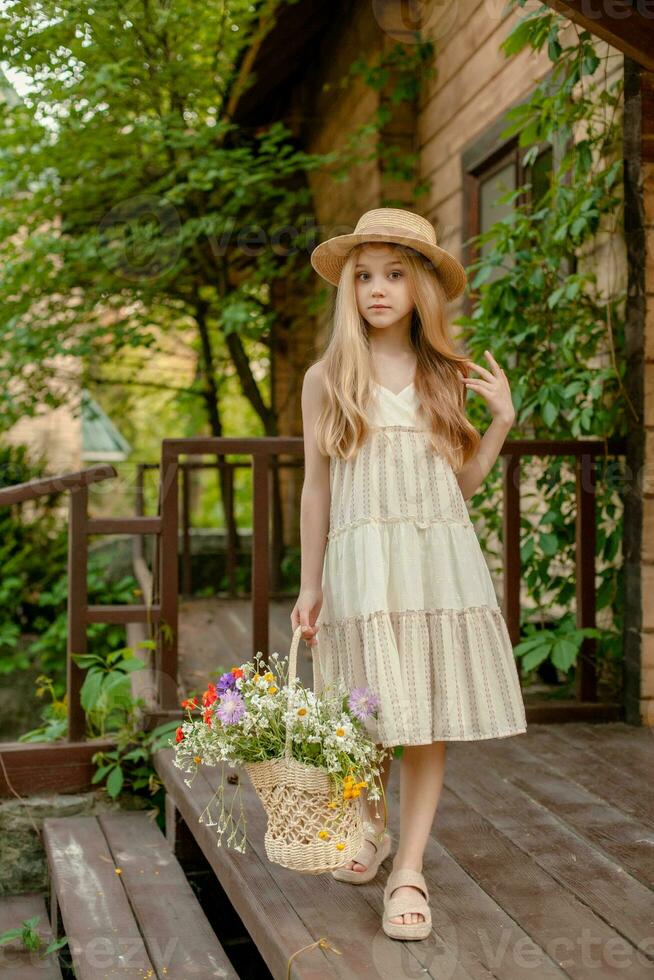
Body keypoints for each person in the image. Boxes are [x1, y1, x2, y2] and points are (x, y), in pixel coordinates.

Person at [291, 207, 527, 941]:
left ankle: (410, 869)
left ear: (421, 284)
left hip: (433, 568)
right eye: (364, 277)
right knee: (366, 714)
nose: (378, 289)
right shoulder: (328, 378)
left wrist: (500, 422)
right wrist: (310, 583)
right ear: (349, 291)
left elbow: (456, 488)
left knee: (423, 720)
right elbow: (316, 488)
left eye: (395, 274)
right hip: (363, 566)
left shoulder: (442, 375)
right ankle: (369, 826)